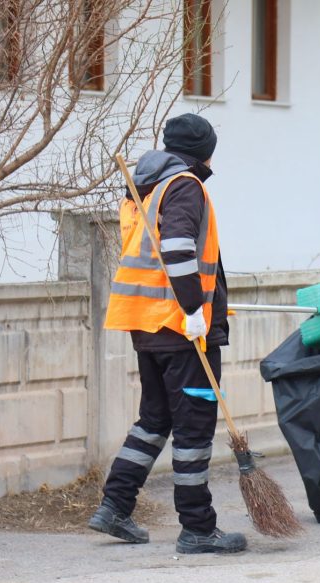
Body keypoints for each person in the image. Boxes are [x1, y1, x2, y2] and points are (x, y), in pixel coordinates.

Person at [88, 113, 247, 554]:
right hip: (181, 329)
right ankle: (197, 527)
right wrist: (195, 309)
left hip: (147, 324)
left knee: (155, 419)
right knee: (194, 428)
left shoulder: (146, 186)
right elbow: (177, 248)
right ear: (205, 152)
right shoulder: (185, 186)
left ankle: (115, 506)